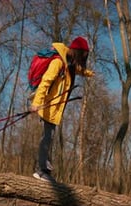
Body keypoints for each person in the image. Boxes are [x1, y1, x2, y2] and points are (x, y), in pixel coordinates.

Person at [30, 36, 94, 182]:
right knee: (47, 138)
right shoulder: (58, 62)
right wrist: (36, 102)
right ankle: (42, 171)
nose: (82, 60)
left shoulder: (69, 63)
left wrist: (88, 73)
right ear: (77, 53)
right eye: (82, 56)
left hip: (55, 108)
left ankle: (44, 170)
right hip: (48, 106)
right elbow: (45, 82)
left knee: (49, 137)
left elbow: (78, 69)